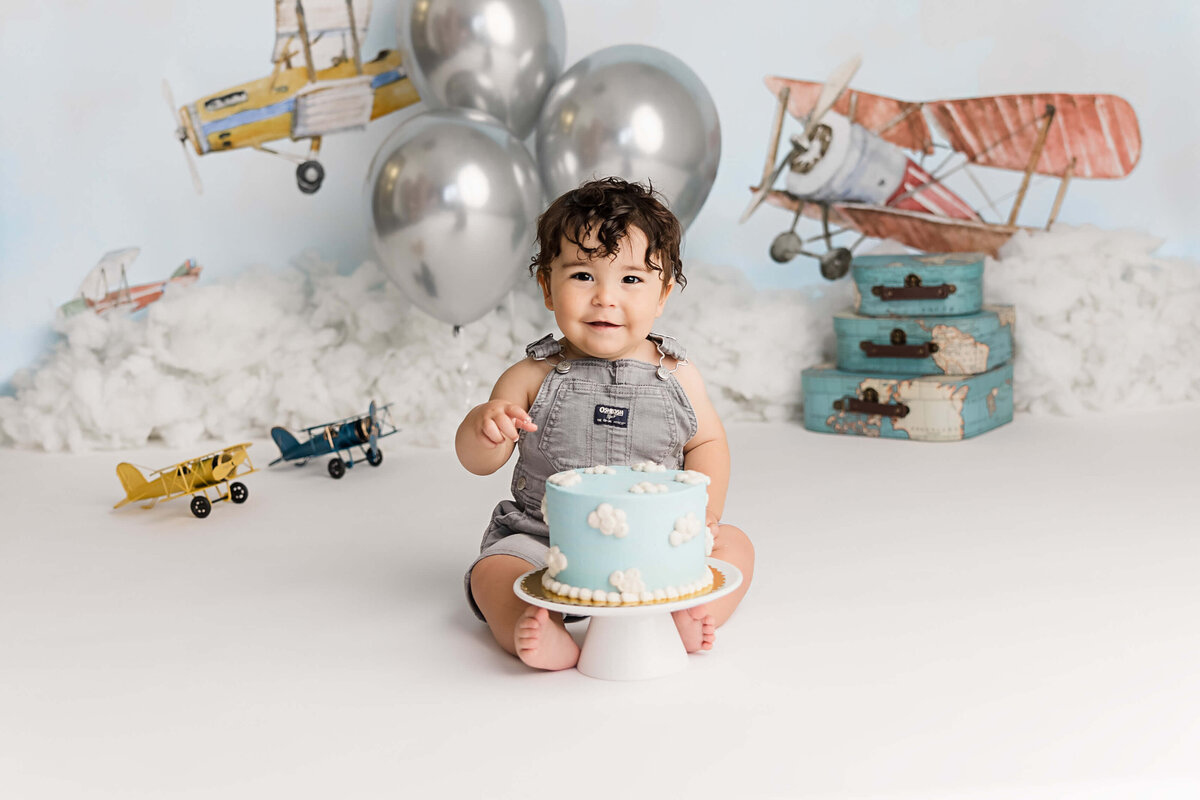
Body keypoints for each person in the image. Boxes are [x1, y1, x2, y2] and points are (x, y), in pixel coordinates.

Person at [456, 177, 755, 671]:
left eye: (630, 280)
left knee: (736, 546)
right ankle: (534, 627)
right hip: (545, 539)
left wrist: (704, 517)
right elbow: (477, 462)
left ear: (662, 294)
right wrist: (484, 426)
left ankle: (693, 613)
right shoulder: (530, 376)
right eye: (582, 276)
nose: (604, 298)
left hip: (654, 536)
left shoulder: (679, 375)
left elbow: (708, 442)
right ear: (547, 288)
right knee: (493, 572)